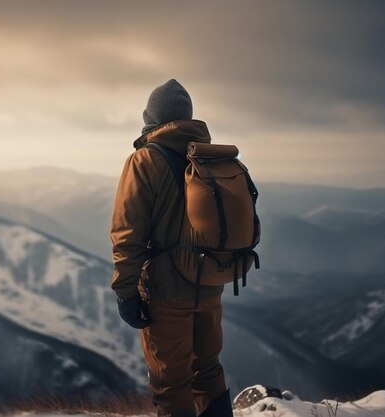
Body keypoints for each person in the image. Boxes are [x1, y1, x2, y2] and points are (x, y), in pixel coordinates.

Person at [110, 79, 233, 417]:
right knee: (208, 372)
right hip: (210, 285)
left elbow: (127, 234)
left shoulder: (144, 160)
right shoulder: (209, 158)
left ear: (151, 118)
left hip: (167, 292)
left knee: (171, 383)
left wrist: (125, 292)